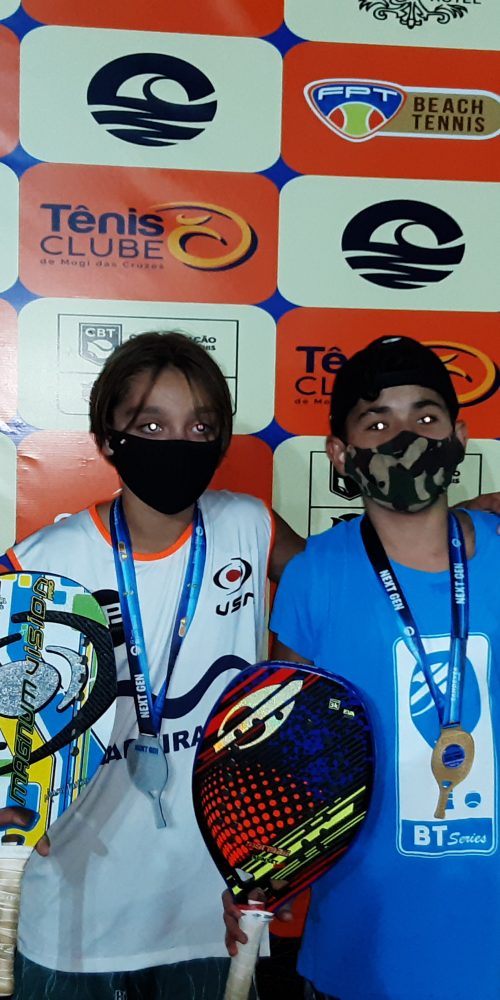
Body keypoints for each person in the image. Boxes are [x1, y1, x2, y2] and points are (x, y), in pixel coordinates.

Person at [0, 331, 302, 1000]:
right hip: (76, 913)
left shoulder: (249, 525)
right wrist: (10, 797)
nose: (178, 443)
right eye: (151, 425)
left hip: (212, 910)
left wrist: (439, 524)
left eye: (201, 427)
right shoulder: (42, 561)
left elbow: (340, 585)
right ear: (107, 438)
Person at [262, 335, 500, 1000]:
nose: (405, 438)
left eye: (426, 416)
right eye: (377, 422)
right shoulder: (315, 575)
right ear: (341, 453)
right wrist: (272, 865)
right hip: (362, 947)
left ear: (459, 437)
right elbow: (289, 745)